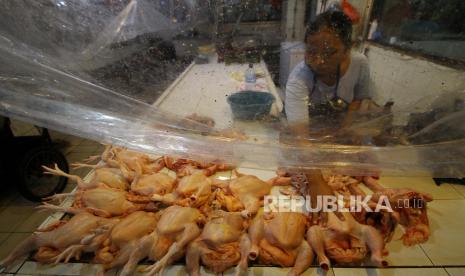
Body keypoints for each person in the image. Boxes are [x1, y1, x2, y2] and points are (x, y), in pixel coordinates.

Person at [285, 10, 380, 139]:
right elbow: (301, 137)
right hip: (308, 131)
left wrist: (345, 129)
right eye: (311, 52)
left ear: (347, 49)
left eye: (329, 53)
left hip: (337, 128)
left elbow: (358, 98)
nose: (318, 62)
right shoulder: (299, 78)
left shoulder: (360, 64)